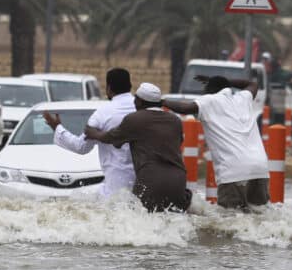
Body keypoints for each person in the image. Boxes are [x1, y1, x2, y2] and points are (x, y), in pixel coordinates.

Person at [163, 75, 268, 210]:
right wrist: (223, 81)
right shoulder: (243, 98)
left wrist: (162, 102)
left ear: (210, 90)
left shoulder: (209, 100)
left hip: (233, 170)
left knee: (229, 219)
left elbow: (184, 108)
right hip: (260, 168)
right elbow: (252, 83)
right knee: (260, 215)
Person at [85, 83, 192, 212]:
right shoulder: (175, 120)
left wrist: (92, 132)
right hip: (178, 182)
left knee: (141, 222)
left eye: (135, 99)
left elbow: (110, 139)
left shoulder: (134, 119)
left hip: (151, 182)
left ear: (140, 101)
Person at [42, 68, 136, 198]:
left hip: (115, 187)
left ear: (109, 88)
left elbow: (81, 147)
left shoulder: (103, 113)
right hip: (145, 184)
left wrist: (57, 128)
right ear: (130, 86)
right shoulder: (142, 109)